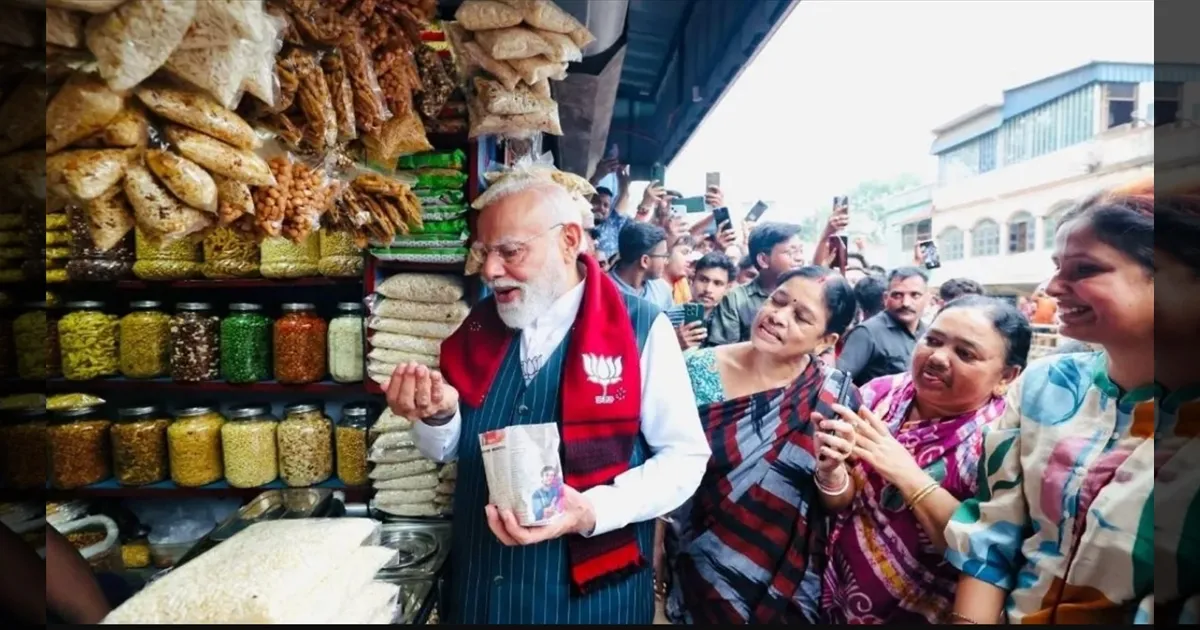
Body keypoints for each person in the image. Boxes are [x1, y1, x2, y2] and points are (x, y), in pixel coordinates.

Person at [388, 171, 710, 625]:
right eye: (485, 252)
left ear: (569, 241)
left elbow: (684, 457)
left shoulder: (640, 328)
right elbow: (443, 450)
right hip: (483, 588)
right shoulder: (478, 329)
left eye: (511, 251)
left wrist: (592, 510)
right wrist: (438, 416)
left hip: (592, 601)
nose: (490, 270)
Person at [946, 181, 1155, 624]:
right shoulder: (1044, 386)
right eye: (1056, 267)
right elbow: (992, 536)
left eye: (1083, 270)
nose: (1051, 287)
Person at [662, 266, 861, 624]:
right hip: (695, 558)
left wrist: (830, 472)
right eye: (777, 300)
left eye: (800, 316)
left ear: (826, 342)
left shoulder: (835, 397)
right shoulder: (695, 369)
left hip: (781, 581)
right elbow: (661, 465)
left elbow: (839, 502)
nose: (777, 317)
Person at [819, 296, 1031, 624]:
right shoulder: (879, 394)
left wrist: (907, 474)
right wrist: (831, 473)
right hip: (834, 589)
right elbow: (841, 501)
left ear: (1007, 376)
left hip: (921, 609)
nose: (938, 357)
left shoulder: (1001, 445)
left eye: (965, 353)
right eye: (932, 340)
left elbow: (987, 553)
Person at [706, 222, 805, 346]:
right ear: (763, 260)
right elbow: (722, 352)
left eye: (801, 251)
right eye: (791, 252)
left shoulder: (808, 296)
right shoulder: (735, 300)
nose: (800, 258)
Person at [837, 266, 932, 385]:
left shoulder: (930, 334)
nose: (906, 303)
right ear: (886, 298)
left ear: (928, 299)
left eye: (915, 295)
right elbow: (839, 381)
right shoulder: (867, 333)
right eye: (897, 295)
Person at [673, 252, 736, 352]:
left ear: (727, 288)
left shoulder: (731, 321)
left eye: (717, 283)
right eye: (703, 280)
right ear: (692, 280)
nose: (708, 289)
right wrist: (673, 343)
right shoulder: (669, 316)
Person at [609, 221, 675, 312]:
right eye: (664, 256)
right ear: (645, 261)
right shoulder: (603, 290)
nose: (666, 262)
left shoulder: (662, 289)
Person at [588, 158, 632, 260]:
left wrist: (623, 180)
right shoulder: (580, 220)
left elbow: (624, 195)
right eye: (596, 202)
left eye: (606, 205)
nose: (601, 208)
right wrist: (597, 176)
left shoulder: (612, 225)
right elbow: (584, 197)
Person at [664, 234, 697, 305]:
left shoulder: (684, 286)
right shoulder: (652, 288)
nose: (690, 260)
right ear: (665, 257)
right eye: (685, 253)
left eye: (690, 254)